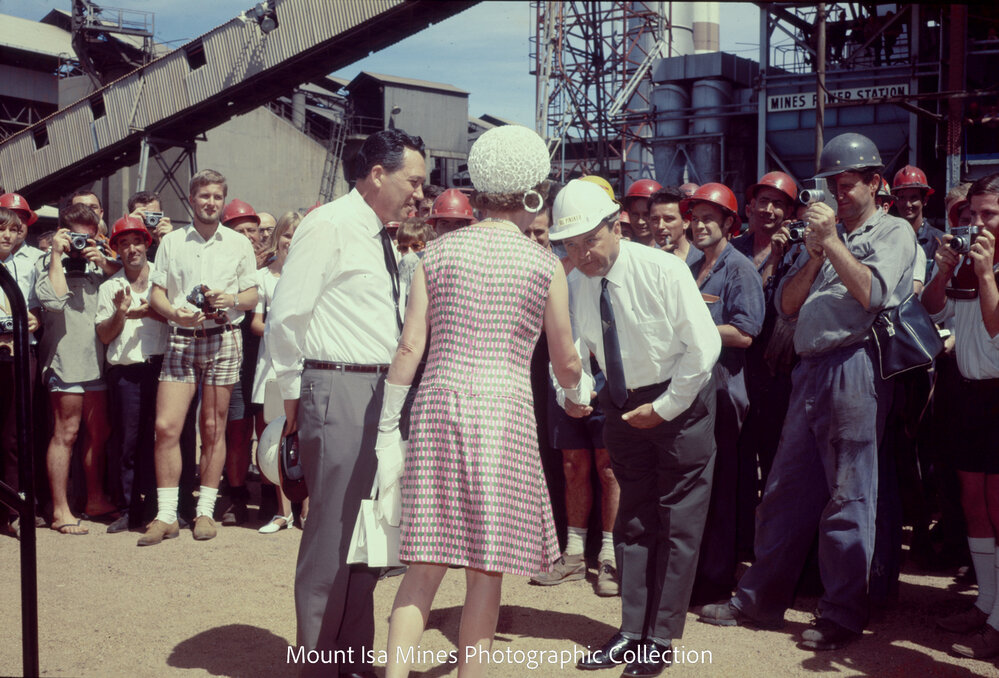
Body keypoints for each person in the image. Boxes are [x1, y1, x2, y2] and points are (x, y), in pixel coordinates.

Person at [380, 124, 589, 678]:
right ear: (531, 193)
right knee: (484, 569)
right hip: (504, 414)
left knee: (423, 564)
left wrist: (384, 428)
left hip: (437, 407)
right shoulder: (544, 265)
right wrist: (577, 395)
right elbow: (565, 359)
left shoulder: (435, 254)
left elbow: (410, 346)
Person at [698, 132, 916, 651]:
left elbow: (872, 293)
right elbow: (790, 306)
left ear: (875, 183)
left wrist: (834, 244)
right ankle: (757, 601)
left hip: (856, 368)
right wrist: (817, 253)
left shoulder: (894, 232)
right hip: (810, 369)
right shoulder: (828, 235)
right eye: (832, 186)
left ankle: (843, 612)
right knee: (783, 492)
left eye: (847, 186)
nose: (838, 195)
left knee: (848, 495)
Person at [265, 128, 426, 678]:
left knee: (367, 533)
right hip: (338, 386)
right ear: (378, 174)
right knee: (332, 533)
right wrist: (292, 398)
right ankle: (316, 664)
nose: (420, 195)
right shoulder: (330, 224)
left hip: (380, 391)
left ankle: (351, 657)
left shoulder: (379, 234)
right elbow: (287, 316)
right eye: (414, 181)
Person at [551, 178, 721, 677]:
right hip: (622, 405)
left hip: (680, 401)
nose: (582, 253)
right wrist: (577, 395)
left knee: (678, 523)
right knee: (633, 521)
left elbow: (704, 349)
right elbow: (578, 355)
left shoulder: (663, 270)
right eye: (571, 244)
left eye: (590, 240)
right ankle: (630, 631)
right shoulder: (577, 283)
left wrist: (665, 408)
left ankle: (660, 639)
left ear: (616, 227)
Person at [138, 169, 258, 546]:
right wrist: (174, 313)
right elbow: (157, 293)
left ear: (223, 201)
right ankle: (166, 515)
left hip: (223, 338)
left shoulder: (238, 244)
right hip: (181, 339)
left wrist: (232, 300)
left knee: (212, 428)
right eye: (203, 196)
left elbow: (252, 296)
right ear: (192, 199)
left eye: (217, 197)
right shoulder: (172, 242)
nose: (210, 202)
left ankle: (205, 510)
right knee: (167, 427)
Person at [925, 173, 999, 659]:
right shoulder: (969, 266)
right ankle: (987, 605)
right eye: (971, 214)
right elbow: (931, 310)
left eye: (989, 213)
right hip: (970, 395)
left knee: (998, 508)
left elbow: (996, 329)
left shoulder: (989, 269)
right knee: (974, 504)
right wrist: (943, 271)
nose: (977, 222)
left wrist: (988, 272)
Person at [683, 183, 765, 607]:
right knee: (700, 487)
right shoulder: (694, 264)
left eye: (709, 218)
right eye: (695, 218)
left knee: (722, 489)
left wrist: (695, 330)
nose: (699, 225)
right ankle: (698, 572)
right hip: (695, 390)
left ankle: (716, 577)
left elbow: (747, 332)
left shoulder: (739, 269)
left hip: (725, 393)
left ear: (730, 223)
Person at [35, 202, 120, 535]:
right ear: (62, 234)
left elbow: (125, 285)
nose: (81, 245)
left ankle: (95, 498)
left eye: (89, 237)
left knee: (98, 434)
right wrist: (57, 254)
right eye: (75, 238)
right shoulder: (47, 263)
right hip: (64, 360)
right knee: (66, 434)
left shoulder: (98, 265)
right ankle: (59, 510)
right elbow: (54, 301)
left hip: (96, 361)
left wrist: (103, 259)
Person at [95, 216, 168, 533]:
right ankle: (127, 508)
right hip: (125, 372)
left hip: (161, 367)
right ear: (116, 250)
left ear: (147, 243)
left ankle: (158, 508)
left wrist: (151, 309)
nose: (131, 248)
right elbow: (104, 336)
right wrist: (121, 313)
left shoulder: (164, 281)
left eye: (137, 241)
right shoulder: (110, 287)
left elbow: (177, 320)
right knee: (126, 442)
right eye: (123, 244)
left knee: (161, 441)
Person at [249, 210, 302, 533]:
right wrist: (280, 329)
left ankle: (306, 509)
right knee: (273, 437)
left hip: (303, 364)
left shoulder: (312, 276)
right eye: (286, 235)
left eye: (297, 237)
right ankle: (282, 512)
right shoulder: (264, 278)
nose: (290, 243)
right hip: (271, 366)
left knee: (303, 435)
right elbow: (256, 322)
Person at [217, 197, 264, 527]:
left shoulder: (275, 267)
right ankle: (235, 495)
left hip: (264, 362)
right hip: (233, 356)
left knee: (267, 429)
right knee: (236, 430)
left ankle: (273, 494)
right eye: (241, 230)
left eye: (253, 230)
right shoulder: (222, 268)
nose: (249, 236)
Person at [892, 164, 942, 281]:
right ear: (895, 201)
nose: (907, 204)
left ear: (925, 200)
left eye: (913, 198)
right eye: (902, 198)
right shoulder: (889, 238)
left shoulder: (938, 241)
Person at [649, 186, 700, 265]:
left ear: (685, 222)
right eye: (655, 219)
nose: (660, 226)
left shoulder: (702, 261)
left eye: (669, 219)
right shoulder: (646, 260)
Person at [127, 191, 174, 261]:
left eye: (154, 216)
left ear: (162, 214)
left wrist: (169, 241)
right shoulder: (125, 242)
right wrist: (128, 227)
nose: (150, 221)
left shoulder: (172, 239)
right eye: (145, 216)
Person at [622, 179, 663, 248]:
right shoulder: (623, 247)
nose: (640, 222)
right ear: (628, 213)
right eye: (635, 214)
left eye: (646, 215)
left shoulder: (671, 248)